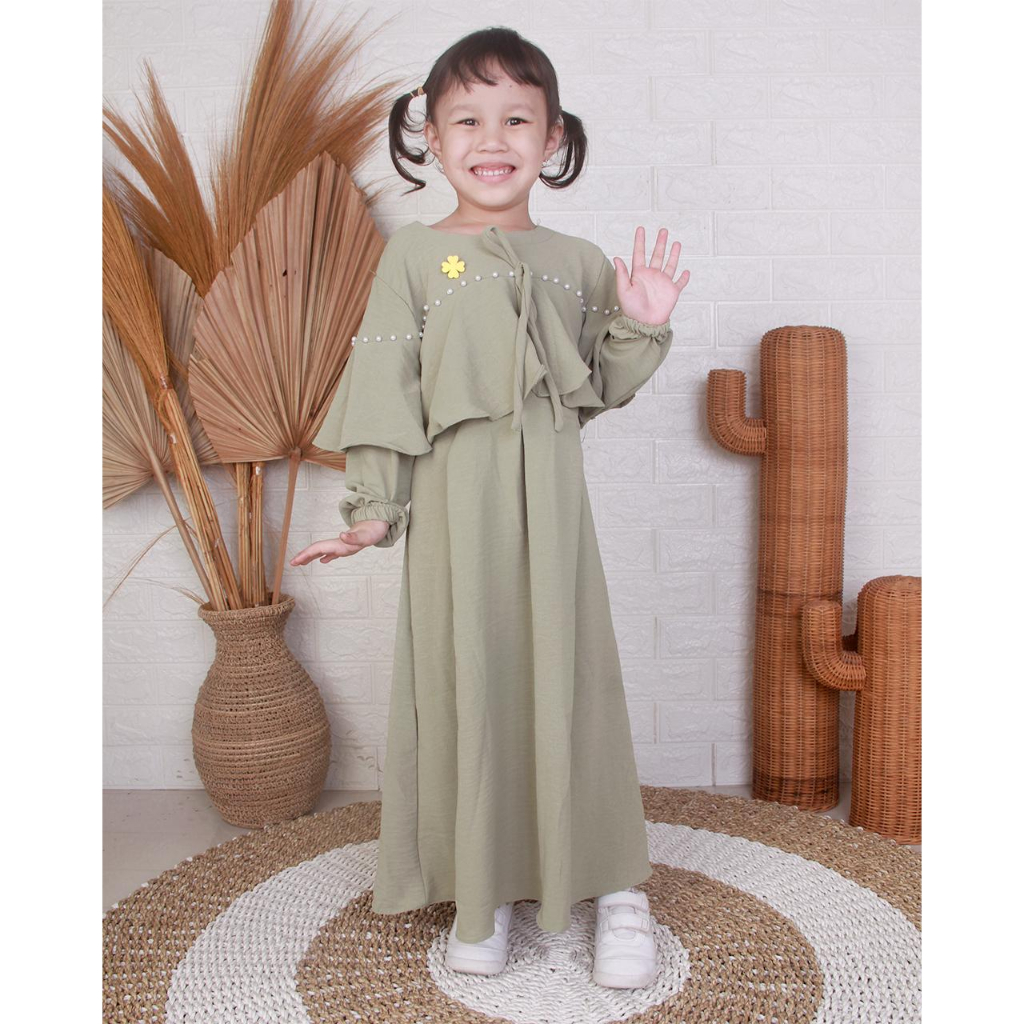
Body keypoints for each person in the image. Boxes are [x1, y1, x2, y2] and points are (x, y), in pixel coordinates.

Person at [290, 26, 690, 989]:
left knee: (572, 679)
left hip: (553, 511)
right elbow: (385, 385)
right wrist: (375, 509)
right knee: (468, 679)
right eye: (467, 119)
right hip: (452, 516)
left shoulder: (579, 261)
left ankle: (615, 885)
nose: (492, 138)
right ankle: (484, 885)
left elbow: (597, 386)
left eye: (517, 118)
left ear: (554, 139)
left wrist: (643, 323)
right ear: (430, 137)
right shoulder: (413, 256)